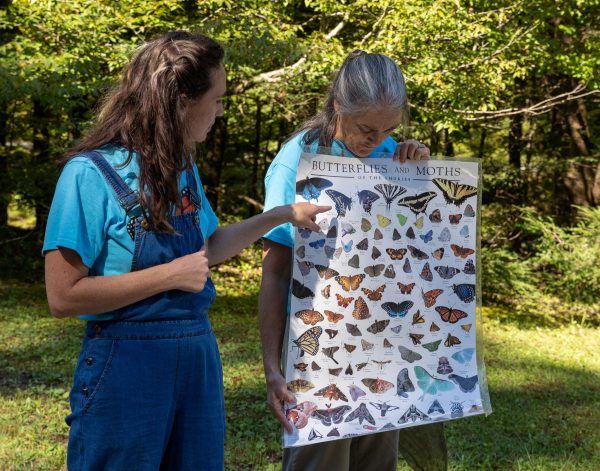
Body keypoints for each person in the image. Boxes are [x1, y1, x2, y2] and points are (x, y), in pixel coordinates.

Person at [43, 30, 329, 471]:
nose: (219, 112)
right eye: (216, 100)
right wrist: (170, 275)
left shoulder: (181, 167)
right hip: (126, 363)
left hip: (197, 356)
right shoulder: (88, 174)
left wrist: (282, 214)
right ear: (179, 100)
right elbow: (63, 296)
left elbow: (207, 248)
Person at [259, 50, 448, 471]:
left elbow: (417, 253)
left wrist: (419, 174)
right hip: (318, 348)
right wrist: (273, 366)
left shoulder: (390, 153)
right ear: (339, 105)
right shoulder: (299, 158)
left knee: (378, 461)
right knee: (320, 460)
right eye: (367, 128)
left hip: (385, 342)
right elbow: (274, 271)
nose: (377, 139)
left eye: (390, 129)